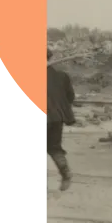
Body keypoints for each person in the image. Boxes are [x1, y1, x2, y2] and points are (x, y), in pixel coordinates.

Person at [45, 48, 76, 191]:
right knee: (54, 148)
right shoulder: (62, 76)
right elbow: (70, 97)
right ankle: (66, 173)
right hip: (57, 118)